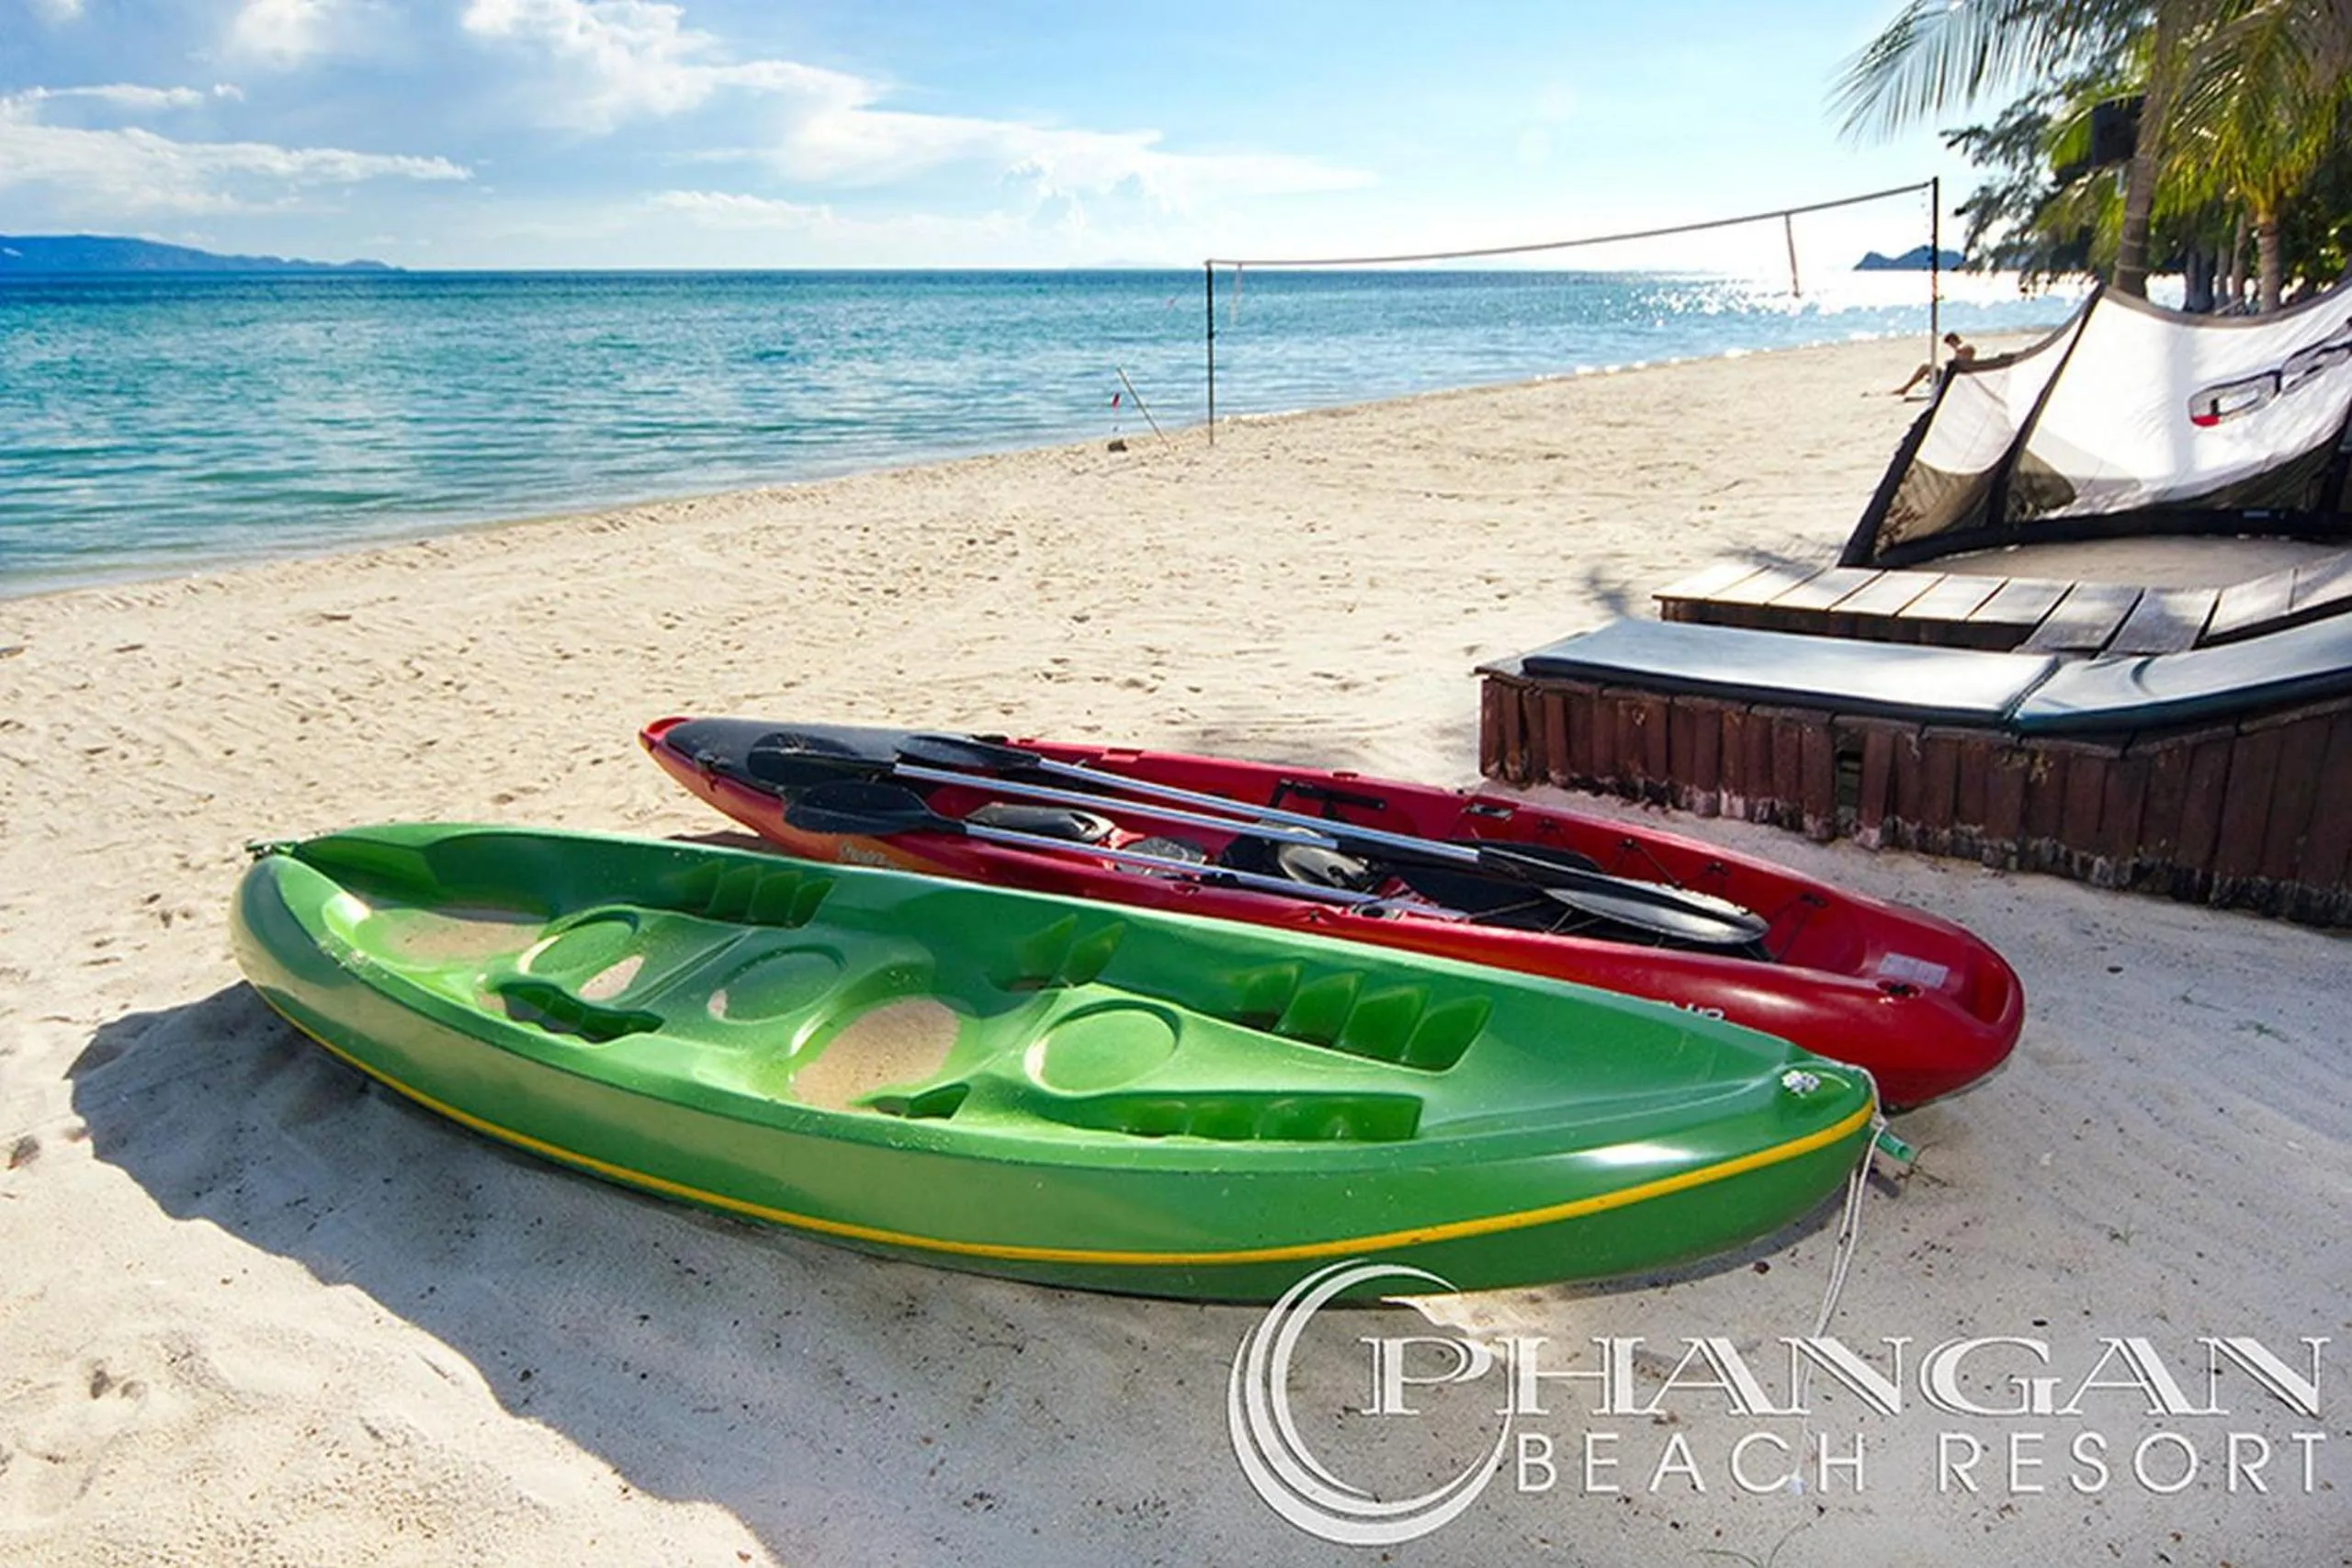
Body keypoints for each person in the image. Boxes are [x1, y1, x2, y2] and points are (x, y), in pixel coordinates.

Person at [1895, 333, 1975, 397]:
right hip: (1951, 374)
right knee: (1927, 366)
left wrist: (1956, 348)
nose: (1951, 346)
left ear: (1954, 340)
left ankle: (1905, 388)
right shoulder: (1960, 352)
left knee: (1925, 367)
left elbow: (1964, 351)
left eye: (1950, 343)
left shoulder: (1966, 347)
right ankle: (1906, 388)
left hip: (1953, 378)